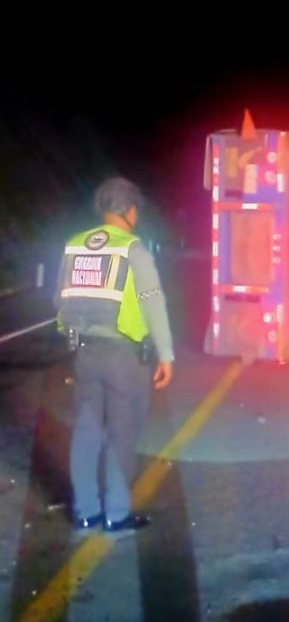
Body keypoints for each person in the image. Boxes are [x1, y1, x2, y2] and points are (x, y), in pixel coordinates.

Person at [56, 176, 174, 532]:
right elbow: (153, 304)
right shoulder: (133, 250)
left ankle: (86, 511)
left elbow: (61, 301)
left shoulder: (74, 246)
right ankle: (116, 514)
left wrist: (71, 351)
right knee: (122, 435)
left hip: (84, 356)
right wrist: (166, 355)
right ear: (129, 210)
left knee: (86, 432)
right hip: (124, 359)